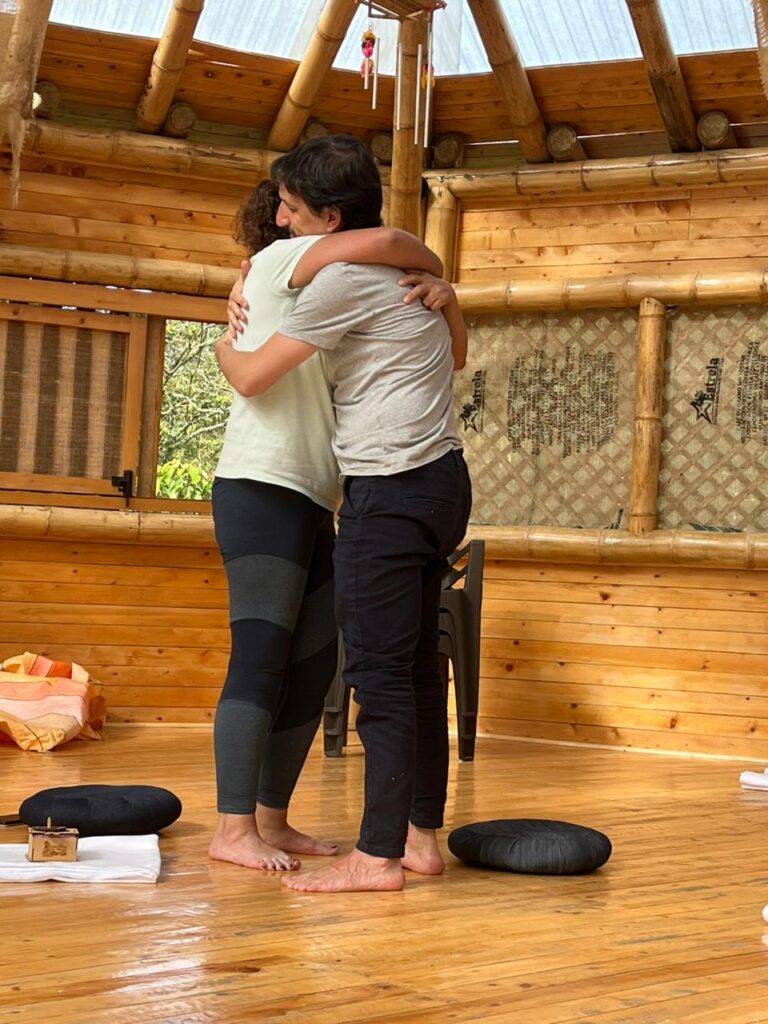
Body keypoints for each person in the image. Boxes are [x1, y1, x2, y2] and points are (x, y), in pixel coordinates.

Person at [215, 134, 472, 892]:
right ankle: (415, 839)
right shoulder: (399, 277)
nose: (279, 221)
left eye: (291, 210)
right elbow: (450, 347)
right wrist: (447, 288)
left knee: (378, 675)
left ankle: (379, 856)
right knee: (413, 671)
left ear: (330, 219)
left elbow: (255, 372)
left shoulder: (340, 277)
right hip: (434, 483)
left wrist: (222, 351)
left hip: (383, 488)